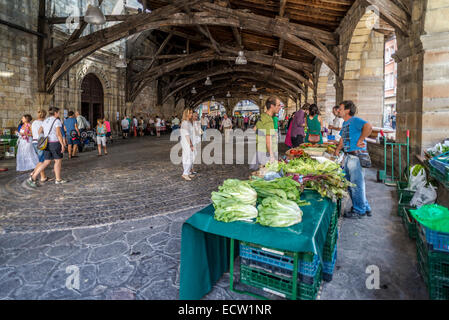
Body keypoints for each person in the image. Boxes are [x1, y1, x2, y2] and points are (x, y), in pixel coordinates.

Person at [334, 100, 373, 219]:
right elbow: (342, 138)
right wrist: (337, 149)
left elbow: (368, 126)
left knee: (356, 185)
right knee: (351, 184)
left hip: (355, 157)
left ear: (347, 110)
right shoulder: (345, 123)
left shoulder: (354, 120)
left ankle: (359, 210)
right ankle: (364, 207)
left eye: (340, 108)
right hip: (348, 156)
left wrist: (361, 139)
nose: (338, 110)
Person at [27, 107, 67, 187]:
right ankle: (58, 179)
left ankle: (33, 177)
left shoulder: (45, 120)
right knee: (58, 161)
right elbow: (58, 134)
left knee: (46, 161)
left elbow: (39, 131)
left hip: (46, 143)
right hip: (54, 143)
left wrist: (44, 136)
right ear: (55, 113)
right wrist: (62, 144)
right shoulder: (57, 121)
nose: (59, 114)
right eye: (58, 112)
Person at [250, 96, 281, 170]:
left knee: (261, 173)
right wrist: (272, 156)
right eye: (278, 105)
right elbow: (268, 140)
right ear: (272, 106)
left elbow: (254, 129)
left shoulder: (262, 116)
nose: (280, 107)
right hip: (266, 153)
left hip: (260, 149)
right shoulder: (269, 120)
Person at [31, 110, 48, 182]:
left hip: (34, 141)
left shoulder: (34, 122)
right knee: (42, 161)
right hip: (41, 142)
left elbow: (32, 133)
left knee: (40, 159)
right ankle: (33, 173)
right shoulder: (44, 123)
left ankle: (43, 176)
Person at [180, 109, 195, 181]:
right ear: (186, 114)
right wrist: (191, 145)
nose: (192, 114)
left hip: (187, 141)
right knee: (189, 157)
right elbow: (187, 135)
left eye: (192, 113)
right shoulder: (185, 123)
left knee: (187, 157)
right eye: (190, 113)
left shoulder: (188, 122)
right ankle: (185, 173)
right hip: (187, 142)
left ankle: (187, 172)